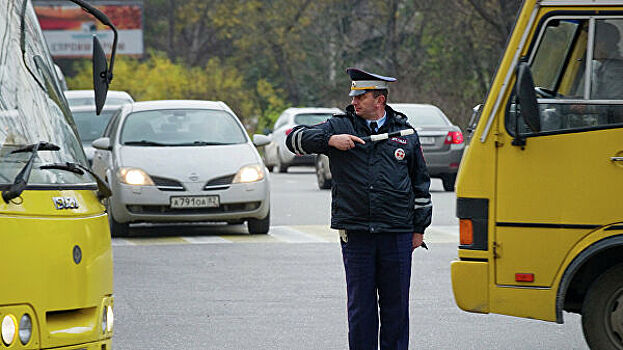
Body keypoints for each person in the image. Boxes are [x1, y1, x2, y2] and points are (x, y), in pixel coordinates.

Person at [285, 68, 432, 350]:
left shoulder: (405, 132)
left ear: (379, 99)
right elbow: (293, 140)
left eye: (361, 97)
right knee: (361, 308)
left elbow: (420, 185)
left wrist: (419, 229)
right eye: (353, 96)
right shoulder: (338, 126)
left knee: (396, 308)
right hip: (357, 233)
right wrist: (328, 141)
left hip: (397, 233)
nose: (354, 102)